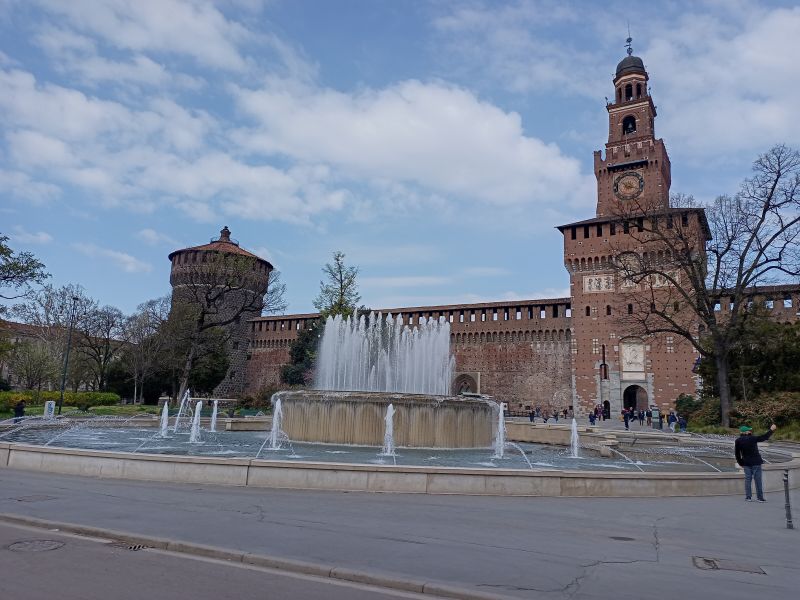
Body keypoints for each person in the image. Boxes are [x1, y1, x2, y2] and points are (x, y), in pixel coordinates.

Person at [735, 424, 777, 502]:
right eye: (749, 430)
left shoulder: (738, 441)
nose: (750, 431)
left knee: (748, 480)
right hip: (756, 462)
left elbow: (737, 454)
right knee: (758, 480)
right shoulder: (753, 438)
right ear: (746, 432)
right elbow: (764, 437)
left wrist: (741, 463)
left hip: (746, 463)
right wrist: (771, 430)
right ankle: (760, 498)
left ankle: (748, 497)